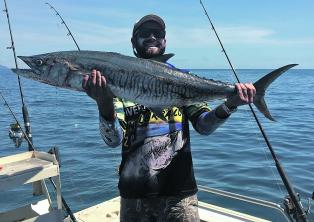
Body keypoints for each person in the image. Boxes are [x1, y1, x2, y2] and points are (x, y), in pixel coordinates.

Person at [82, 14, 256, 222]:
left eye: (158, 33)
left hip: (180, 195)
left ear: (165, 41)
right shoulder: (117, 82)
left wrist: (229, 105)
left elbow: (204, 126)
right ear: (133, 41)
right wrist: (104, 103)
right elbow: (113, 141)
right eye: (145, 33)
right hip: (134, 196)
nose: (152, 37)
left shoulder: (184, 79)